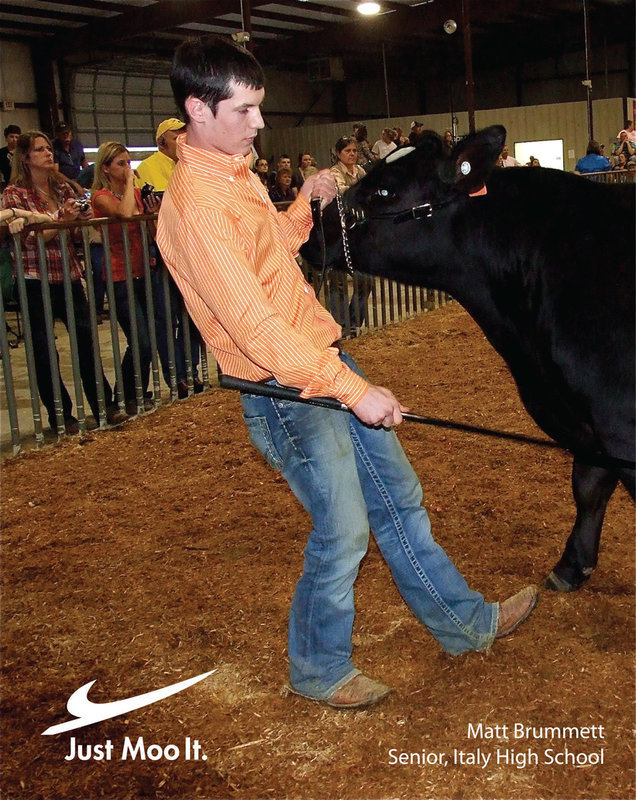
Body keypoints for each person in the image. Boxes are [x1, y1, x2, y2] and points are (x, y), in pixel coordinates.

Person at [157, 35, 538, 710]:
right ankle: (318, 670)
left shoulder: (235, 173)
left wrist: (302, 204)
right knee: (343, 531)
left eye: (258, 107)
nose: (259, 123)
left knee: (399, 500)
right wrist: (354, 391)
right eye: (244, 110)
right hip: (282, 388)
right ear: (197, 107)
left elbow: (270, 254)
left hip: (318, 363)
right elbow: (255, 330)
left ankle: (464, 624)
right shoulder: (197, 206)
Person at [1, 131, 125, 433]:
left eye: (48, 148)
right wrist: (61, 221)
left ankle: (103, 406)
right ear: (26, 157)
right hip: (34, 279)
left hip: (68, 274)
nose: (48, 153)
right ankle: (61, 416)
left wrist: (76, 220)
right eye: (40, 150)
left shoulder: (61, 188)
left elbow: (72, 234)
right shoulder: (14, 194)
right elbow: (30, 240)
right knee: (44, 351)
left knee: (86, 342)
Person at [135, 117, 204, 398]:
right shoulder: (148, 168)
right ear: (162, 141)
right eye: (177, 137)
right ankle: (176, 376)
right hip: (163, 250)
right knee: (166, 316)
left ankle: (192, 369)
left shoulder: (191, 165)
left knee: (194, 313)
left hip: (192, 249)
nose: (183, 141)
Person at [91, 141, 159, 416]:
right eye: (121, 163)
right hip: (120, 275)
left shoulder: (136, 195)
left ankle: (133, 394)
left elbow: (151, 234)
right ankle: (126, 394)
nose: (127, 168)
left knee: (147, 340)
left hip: (143, 269)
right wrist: (132, 184)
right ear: (106, 168)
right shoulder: (100, 196)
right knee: (140, 340)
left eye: (128, 163)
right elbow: (124, 213)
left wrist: (151, 215)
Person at [329, 135, 372, 334]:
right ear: (338, 154)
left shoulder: (360, 171)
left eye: (354, 150)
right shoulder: (333, 173)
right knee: (338, 282)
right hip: (336, 233)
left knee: (365, 281)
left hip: (356, 233)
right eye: (347, 151)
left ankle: (354, 322)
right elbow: (341, 191)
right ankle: (341, 325)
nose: (352, 154)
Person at [52, 122, 88, 186]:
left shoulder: (76, 144)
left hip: (79, 178)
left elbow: (84, 162)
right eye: (63, 134)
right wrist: (73, 183)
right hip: (64, 182)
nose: (66, 136)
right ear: (57, 135)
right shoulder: (54, 148)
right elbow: (55, 172)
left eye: (67, 133)